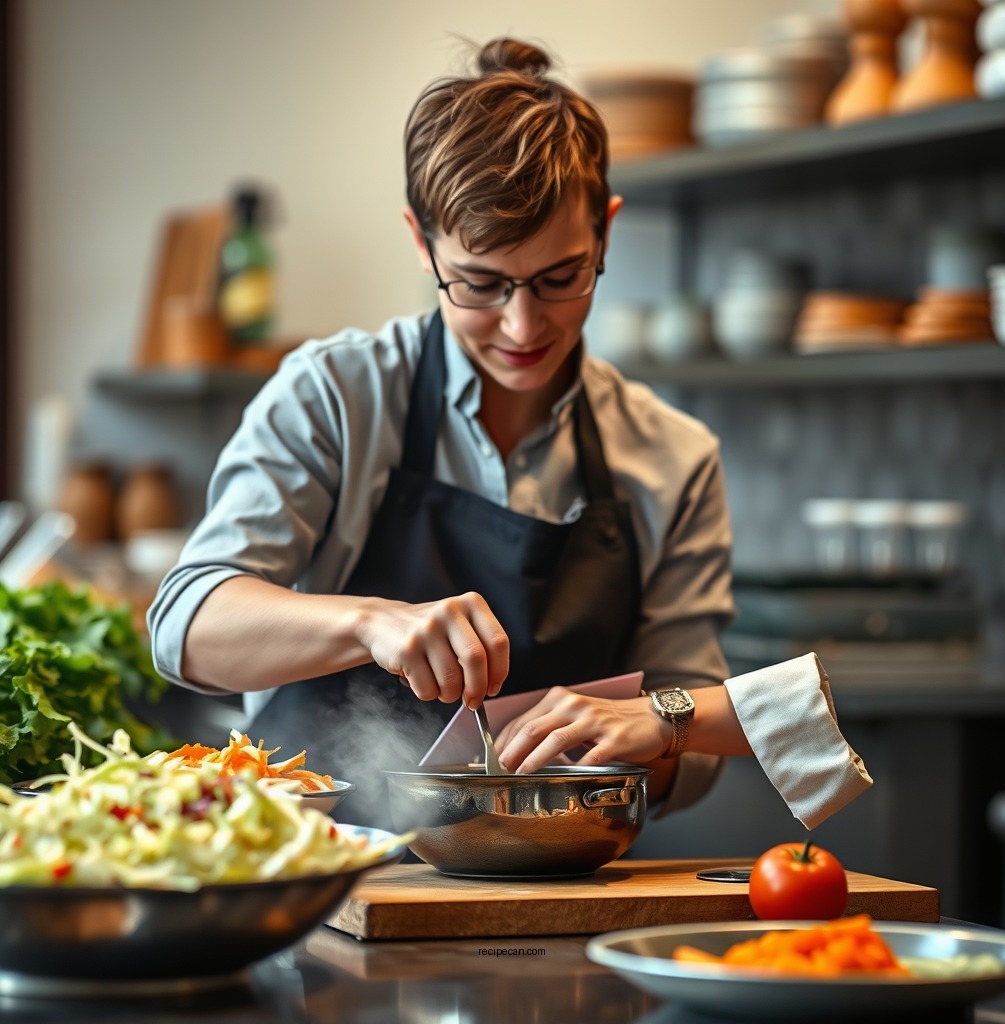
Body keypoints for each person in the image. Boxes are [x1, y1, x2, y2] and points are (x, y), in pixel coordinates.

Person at [148, 37, 870, 829]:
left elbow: (693, 747)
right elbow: (186, 625)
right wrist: (370, 622)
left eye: (561, 277)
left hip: (556, 884)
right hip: (316, 878)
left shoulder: (674, 456)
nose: (522, 325)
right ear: (422, 243)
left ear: (606, 230)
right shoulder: (337, 394)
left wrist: (657, 731)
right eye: (481, 284)